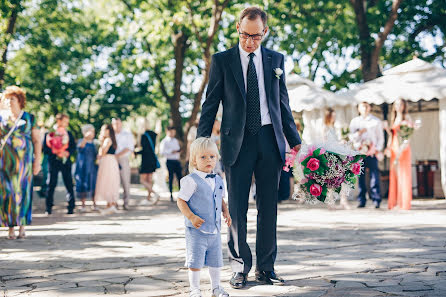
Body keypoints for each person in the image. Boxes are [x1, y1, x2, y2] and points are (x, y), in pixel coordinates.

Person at [197, 7, 301, 289]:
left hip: (270, 141)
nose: (249, 41)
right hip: (236, 143)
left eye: (255, 36)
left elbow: (283, 105)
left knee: (269, 208)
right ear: (238, 29)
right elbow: (210, 104)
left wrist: (296, 142)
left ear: (264, 32)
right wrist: (200, 142)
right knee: (238, 209)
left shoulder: (276, 60)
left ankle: (266, 269)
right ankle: (240, 267)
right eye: (245, 35)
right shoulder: (222, 60)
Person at [177, 137, 232, 297]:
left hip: (214, 230)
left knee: (216, 262)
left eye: (212, 156)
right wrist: (191, 217)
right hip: (196, 231)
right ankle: (195, 289)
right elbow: (181, 201)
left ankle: (216, 288)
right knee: (195, 262)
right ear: (194, 160)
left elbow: (219, 198)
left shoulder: (217, 179)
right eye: (203, 157)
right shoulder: (190, 181)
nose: (209, 160)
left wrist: (226, 212)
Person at [0, 86, 41, 239]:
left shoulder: (30, 118)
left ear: (19, 100)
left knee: (23, 192)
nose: (9, 101)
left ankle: (22, 226)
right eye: (7, 98)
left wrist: (37, 161)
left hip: (25, 163)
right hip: (5, 163)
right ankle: (10, 227)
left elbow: (37, 141)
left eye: (12, 98)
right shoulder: (1, 118)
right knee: (7, 193)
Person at [349, 102, 384, 208]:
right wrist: (358, 136)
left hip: (372, 153)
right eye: (362, 106)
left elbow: (380, 137)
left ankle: (376, 199)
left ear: (370, 108)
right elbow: (351, 137)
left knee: (374, 175)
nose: (364, 108)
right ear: (359, 108)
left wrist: (376, 149)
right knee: (361, 176)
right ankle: (362, 200)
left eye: (366, 106)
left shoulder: (376, 121)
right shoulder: (355, 122)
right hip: (360, 153)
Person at [43, 113, 76, 215]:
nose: (67, 123)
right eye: (65, 121)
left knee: (69, 184)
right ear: (59, 121)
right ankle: (48, 208)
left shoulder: (69, 133)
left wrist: (67, 152)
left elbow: (73, 147)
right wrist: (55, 151)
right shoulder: (49, 133)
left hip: (65, 162)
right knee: (51, 184)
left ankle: (71, 207)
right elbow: (45, 148)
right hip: (53, 162)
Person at [386, 99, 413, 210]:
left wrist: (404, 145)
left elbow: (409, 134)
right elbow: (392, 135)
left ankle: (404, 202)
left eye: (401, 104)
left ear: (404, 105)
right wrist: (387, 148)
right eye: (396, 104)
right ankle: (396, 202)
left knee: (403, 174)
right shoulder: (393, 117)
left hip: (403, 148)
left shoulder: (407, 118)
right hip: (394, 147)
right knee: (395, 174)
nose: (398, 106)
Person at [323, 108, 351, 209]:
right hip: (330, 156)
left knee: (341, 178)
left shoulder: (333, 127)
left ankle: (343, 200)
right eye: (332, 116)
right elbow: (326, 143)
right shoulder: (325, 128)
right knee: (331, 180)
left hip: (337, 155)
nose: (334, 118)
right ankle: (331, 202)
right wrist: (339, 143)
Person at [94, 124, 120, 214]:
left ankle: (111, 204)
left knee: (108, 181)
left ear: (108, 130)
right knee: (111, 181)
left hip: (107, 161)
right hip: (111, 161)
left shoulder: (107, 140)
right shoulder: (112, 139)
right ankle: (110, 204)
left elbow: (102, 152)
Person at [112, 118, 134, 210]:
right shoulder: (111, 135)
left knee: (125, 181)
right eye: (114, 124)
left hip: (123, 159)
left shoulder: (127, 134)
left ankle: (126, 203)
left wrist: (117, 155)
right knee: (113, 182)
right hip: (112, 160)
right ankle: (114, 202)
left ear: (121, 124)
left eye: (118, 123)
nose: (116, 125)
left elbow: (129, 148)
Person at [74, 124, 98, 212]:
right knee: (82, 184)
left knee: (93, 184)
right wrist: (85, 138)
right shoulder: (81, 141)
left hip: (92, 167)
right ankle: (83, 205)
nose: (93, 133)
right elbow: (80, 148)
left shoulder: (95, 143)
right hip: (82, 166)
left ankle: (94, 204)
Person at [136, 129, 161, 205]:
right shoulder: (153, 135)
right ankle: (149, 198)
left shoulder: (144, 136)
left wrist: (136, 152)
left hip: (146, 161)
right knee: (149, 180)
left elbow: (145, 150)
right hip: (152, 160)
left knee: (142, 180)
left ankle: (155, 193)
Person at [160, 126, 183, 202]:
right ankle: (171, 195)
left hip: (176, 160)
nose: (173, 133)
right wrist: (171, 151)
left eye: (174, 132)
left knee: (180, 177)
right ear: (167, 131)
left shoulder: (175, 140)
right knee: (171, 177)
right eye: (171, 132)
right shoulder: (164, 141)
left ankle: (181, 195)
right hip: (169, 161)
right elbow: (162, 152)